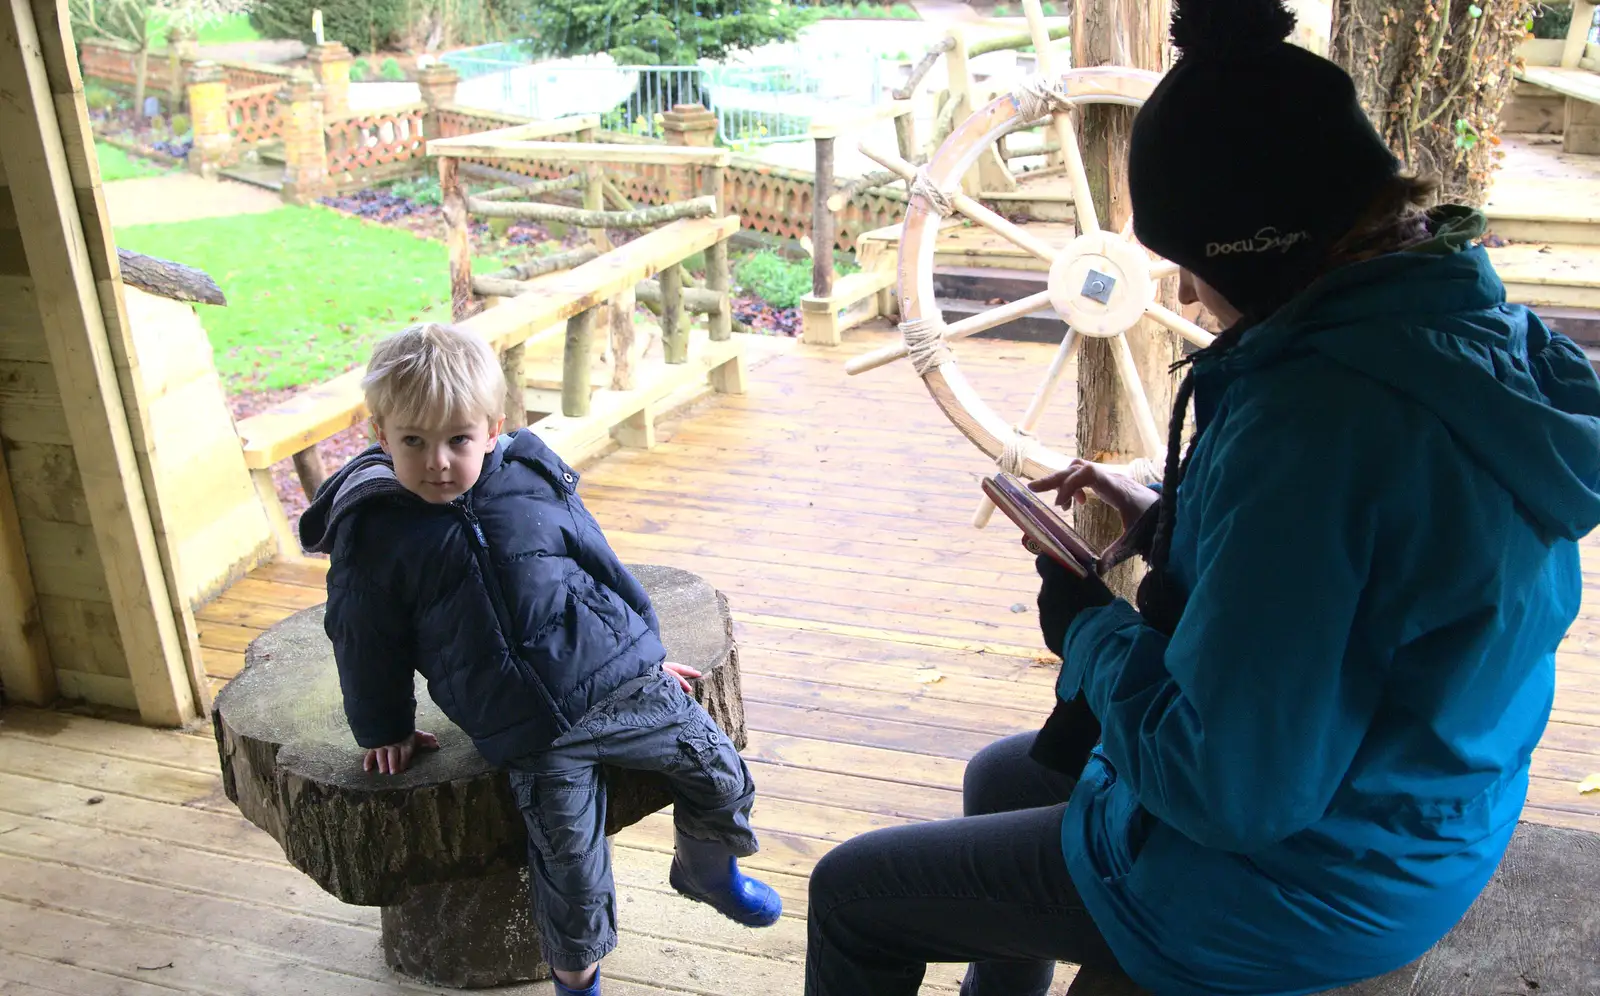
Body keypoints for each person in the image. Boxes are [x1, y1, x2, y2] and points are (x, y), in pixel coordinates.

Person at [803, 0, 1600, 993]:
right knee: (997, 778)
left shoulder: (1316, 424)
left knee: (851, 895)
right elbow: (1371, 578)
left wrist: (1086, 630)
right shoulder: (1465, 339)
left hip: (1297, 884)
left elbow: (1233, 788)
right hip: (1420, 816)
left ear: (1258, 250)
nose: (1183, 297)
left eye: (1191, 262)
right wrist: (1166, 515)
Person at [298, 323, 782, 996]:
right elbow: (362, 636)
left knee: (721, 775)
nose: (438, 461)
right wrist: (383, 727)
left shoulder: (526, 475)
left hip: (619, 681)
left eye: (458, 440)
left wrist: (643, 652)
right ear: (381, 436)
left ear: (493, 428)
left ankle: (706, 872)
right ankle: (577, 983)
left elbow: (596, 558)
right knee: (571, 874)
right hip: (529, 728)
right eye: (414, 442)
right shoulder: (376, 533)